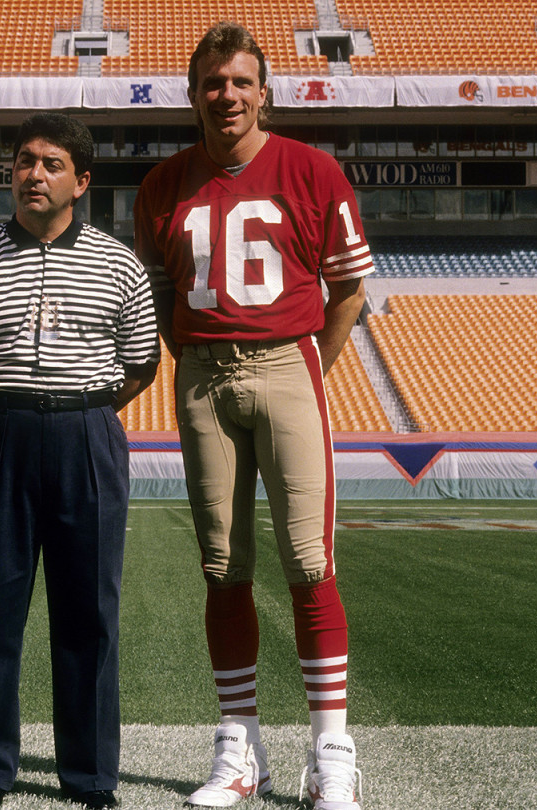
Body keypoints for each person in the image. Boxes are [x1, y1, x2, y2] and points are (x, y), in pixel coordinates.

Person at [132, 22, 373, 810]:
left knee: (309, 560)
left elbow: (349, 294)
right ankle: (241, 750)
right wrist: (203, 359)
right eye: (212, 82)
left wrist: (306, 372)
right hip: (200, 372)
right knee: (222, 567)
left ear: (264, 91)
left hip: (287, 361)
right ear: (193, 93)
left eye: (240, 82)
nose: (226, 95)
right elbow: (164, 299)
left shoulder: (311, 170)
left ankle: (331, 750)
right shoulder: (162, 185)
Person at [0, 113, 160, 810]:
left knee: (88, 614)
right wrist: (5, 408)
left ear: (81, 181)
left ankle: (89, 775)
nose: (33, 174)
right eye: (24, 161)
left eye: (51, 163)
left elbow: (141, 364)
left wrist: (80, 409)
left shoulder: (120, 264)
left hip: (88, 434)